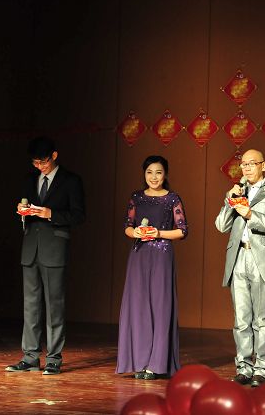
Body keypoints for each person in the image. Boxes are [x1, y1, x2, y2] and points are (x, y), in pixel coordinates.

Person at [6, 136, 85, 375]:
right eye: (35, 162)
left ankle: (53, 358)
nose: (39, 166)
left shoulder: (71, 180)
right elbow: (25, 207)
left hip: (54, 248)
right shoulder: (29, 179)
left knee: (54, 306)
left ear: (54, 156)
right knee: (30, 306)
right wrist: (23, 211)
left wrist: (51, 213)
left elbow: (79, 215)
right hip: (31, 247)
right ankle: (30, 356)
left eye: (43, 162)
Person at [215, 149, 265, 387]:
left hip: (262, 259)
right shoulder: (237, 192)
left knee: (262, 320)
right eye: (243, 164)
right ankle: (243, 368)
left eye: (251, 164)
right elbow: (221, 225)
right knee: (241, 319)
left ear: (263, 166)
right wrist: (230, 201)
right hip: (238, 257)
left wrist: (250, 214)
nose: (246, 168)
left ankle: (261, 369)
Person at [116, 155, 187, 380]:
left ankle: (156, 364)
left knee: (160, 306)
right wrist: (135, 232)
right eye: (149, 172)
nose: (154, 177)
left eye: (158, 172)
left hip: (162, 255)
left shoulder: (172, 198)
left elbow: (182, 230)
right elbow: (127, 226)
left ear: (165, 175)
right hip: (139, 255)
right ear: (144, 174)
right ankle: (140, 361)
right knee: (138, 307)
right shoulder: (136, 197)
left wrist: (158, 233)